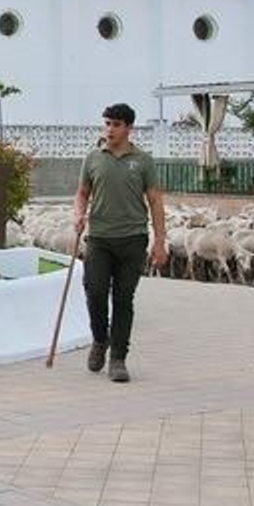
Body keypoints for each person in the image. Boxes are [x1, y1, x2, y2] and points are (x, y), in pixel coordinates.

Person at [73, 103, 166, 383]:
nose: (109, 129)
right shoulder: (92, 158)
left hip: (133, 239)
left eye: (115, 124)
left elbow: (155, 201)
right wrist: (78, 215)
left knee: (124, 299)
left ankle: (118, 359)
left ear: (128, 128)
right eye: (107, 124)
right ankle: (100, 340)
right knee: (95, 292)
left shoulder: (144, 161)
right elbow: (81, 194)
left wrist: (160, 241)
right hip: (99, 238)